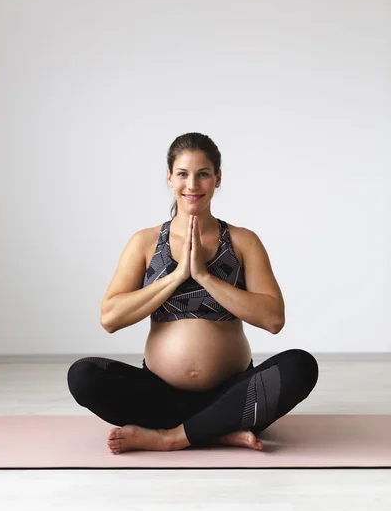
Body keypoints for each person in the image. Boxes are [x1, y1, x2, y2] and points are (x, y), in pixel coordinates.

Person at [67, 132, 319, 454]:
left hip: (231, 392)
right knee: (83, 375)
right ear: (170, 177)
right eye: (183, 174)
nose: (192, 185)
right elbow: (110, 318)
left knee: (301, 365)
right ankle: (215, 429)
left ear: (217, 179)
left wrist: (204, 275)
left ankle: (171, 437)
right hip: (160, 394)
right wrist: (176, 277)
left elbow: (273, 319)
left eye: (203, 174)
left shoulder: (243, 242)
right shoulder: (144, 242)